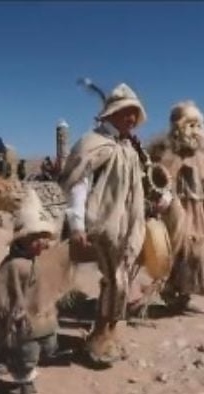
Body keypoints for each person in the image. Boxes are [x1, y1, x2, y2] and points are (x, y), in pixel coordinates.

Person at [58, 83, 151, 365]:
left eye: (134, 113)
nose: (131, 119)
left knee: (120, 279)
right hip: (102, 224)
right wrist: (77, 225)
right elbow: (78, 184)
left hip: (127, 225)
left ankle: (107, 333)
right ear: (111, 114)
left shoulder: (129, 148)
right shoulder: (93, 143)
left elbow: (138, 185)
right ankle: (99, 338)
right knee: (116, 280)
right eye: (125, 113)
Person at [148, 101, 204, 312]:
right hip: (179, 211)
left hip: (200, 211)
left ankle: (184, 292)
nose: (195, 131)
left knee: (196, 252)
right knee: (180, 251)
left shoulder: (202, 158)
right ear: (179, 128)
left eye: (199, 125)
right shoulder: (172, 157)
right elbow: (162, 180)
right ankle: (172, 291)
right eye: (191, 125)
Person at [0, 188, 67, 394]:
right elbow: (3, 292)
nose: (43, 244)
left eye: (44, 238)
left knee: (49, 344)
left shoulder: (38, 261)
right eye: (37, 239)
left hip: (42, 313)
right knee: (27, 352)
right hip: (23, 320)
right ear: (24, 239)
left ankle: (12, 358)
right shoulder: (13, 266)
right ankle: (26, 387)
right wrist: (13, 311)